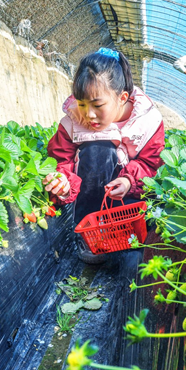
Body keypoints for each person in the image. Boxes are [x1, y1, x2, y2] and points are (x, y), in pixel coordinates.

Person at [43, 48, 165, 264]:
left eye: (98, 105)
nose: (89, 114)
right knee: (99, 148)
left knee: (153, 219)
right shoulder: (73, 122)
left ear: (122, 98)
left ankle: (125, 237)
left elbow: (151, 163)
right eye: (82, 104)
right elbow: (62, 160)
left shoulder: (148, 122)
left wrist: (128, 181)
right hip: (89, 199)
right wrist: (61, 181)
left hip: (125, 199)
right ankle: (90, 236)